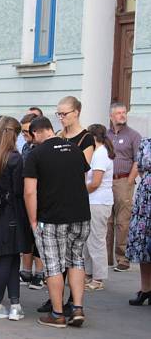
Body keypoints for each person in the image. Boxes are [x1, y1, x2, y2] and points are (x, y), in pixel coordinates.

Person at [23, 117, 91, 328]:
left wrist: (33, 220)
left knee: (53, 265)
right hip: (80, 215)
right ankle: (77, 308)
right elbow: (82, 178)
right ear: (51, 129)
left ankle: (57, 313)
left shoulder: (36, 154)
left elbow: (29, 191)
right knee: (76, 260)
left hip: (52, 217)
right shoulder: (74, 149)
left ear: (35, 134)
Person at [0, 117, 30, 320]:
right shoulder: (15, 158)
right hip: (11, 214)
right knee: (6, 261)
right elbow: (19, 191)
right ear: (13, 134)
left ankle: (15, 304)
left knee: (7, 260)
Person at [107, 102, 142, 272]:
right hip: (106, 182)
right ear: (111, 116)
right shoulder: (105, 136)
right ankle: (105, 259)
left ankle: (123, 258)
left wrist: (129, 181)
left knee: (123, 221)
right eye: (118, 113)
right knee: (107, 220)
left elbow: (138, 159)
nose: (122, 115)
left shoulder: (134, 135)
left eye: (124, 112)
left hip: (123, 181)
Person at [83, 124, 115, 291]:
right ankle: (89, 273)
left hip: (98, 201)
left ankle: (98, 277)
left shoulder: (101, 154)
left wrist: (79, 192)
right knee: (88, 240)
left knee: (97, 240)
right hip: (92, 201)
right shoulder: (97, 153)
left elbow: (95, 182)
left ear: (94, 137)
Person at [18, 113, 45, 290]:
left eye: (27, 131)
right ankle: (26, 271)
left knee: (39, 236)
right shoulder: (27, 148)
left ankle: (40, 274)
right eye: (22, 131)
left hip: (40, 196)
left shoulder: (41, 149)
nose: (25, 134)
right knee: (26, 235)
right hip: (25, 195)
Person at [125, 136, 151, 306]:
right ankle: (146, 289)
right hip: (145, 200)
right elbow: (140, 168)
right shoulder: (146, 142)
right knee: (143, 247)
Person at [57, 96, 95, 164]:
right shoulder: (58, 135)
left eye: (64, 114)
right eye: (59, 114)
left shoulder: (86, 138)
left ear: (76, 112)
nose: (61, 118)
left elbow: (84, 167)